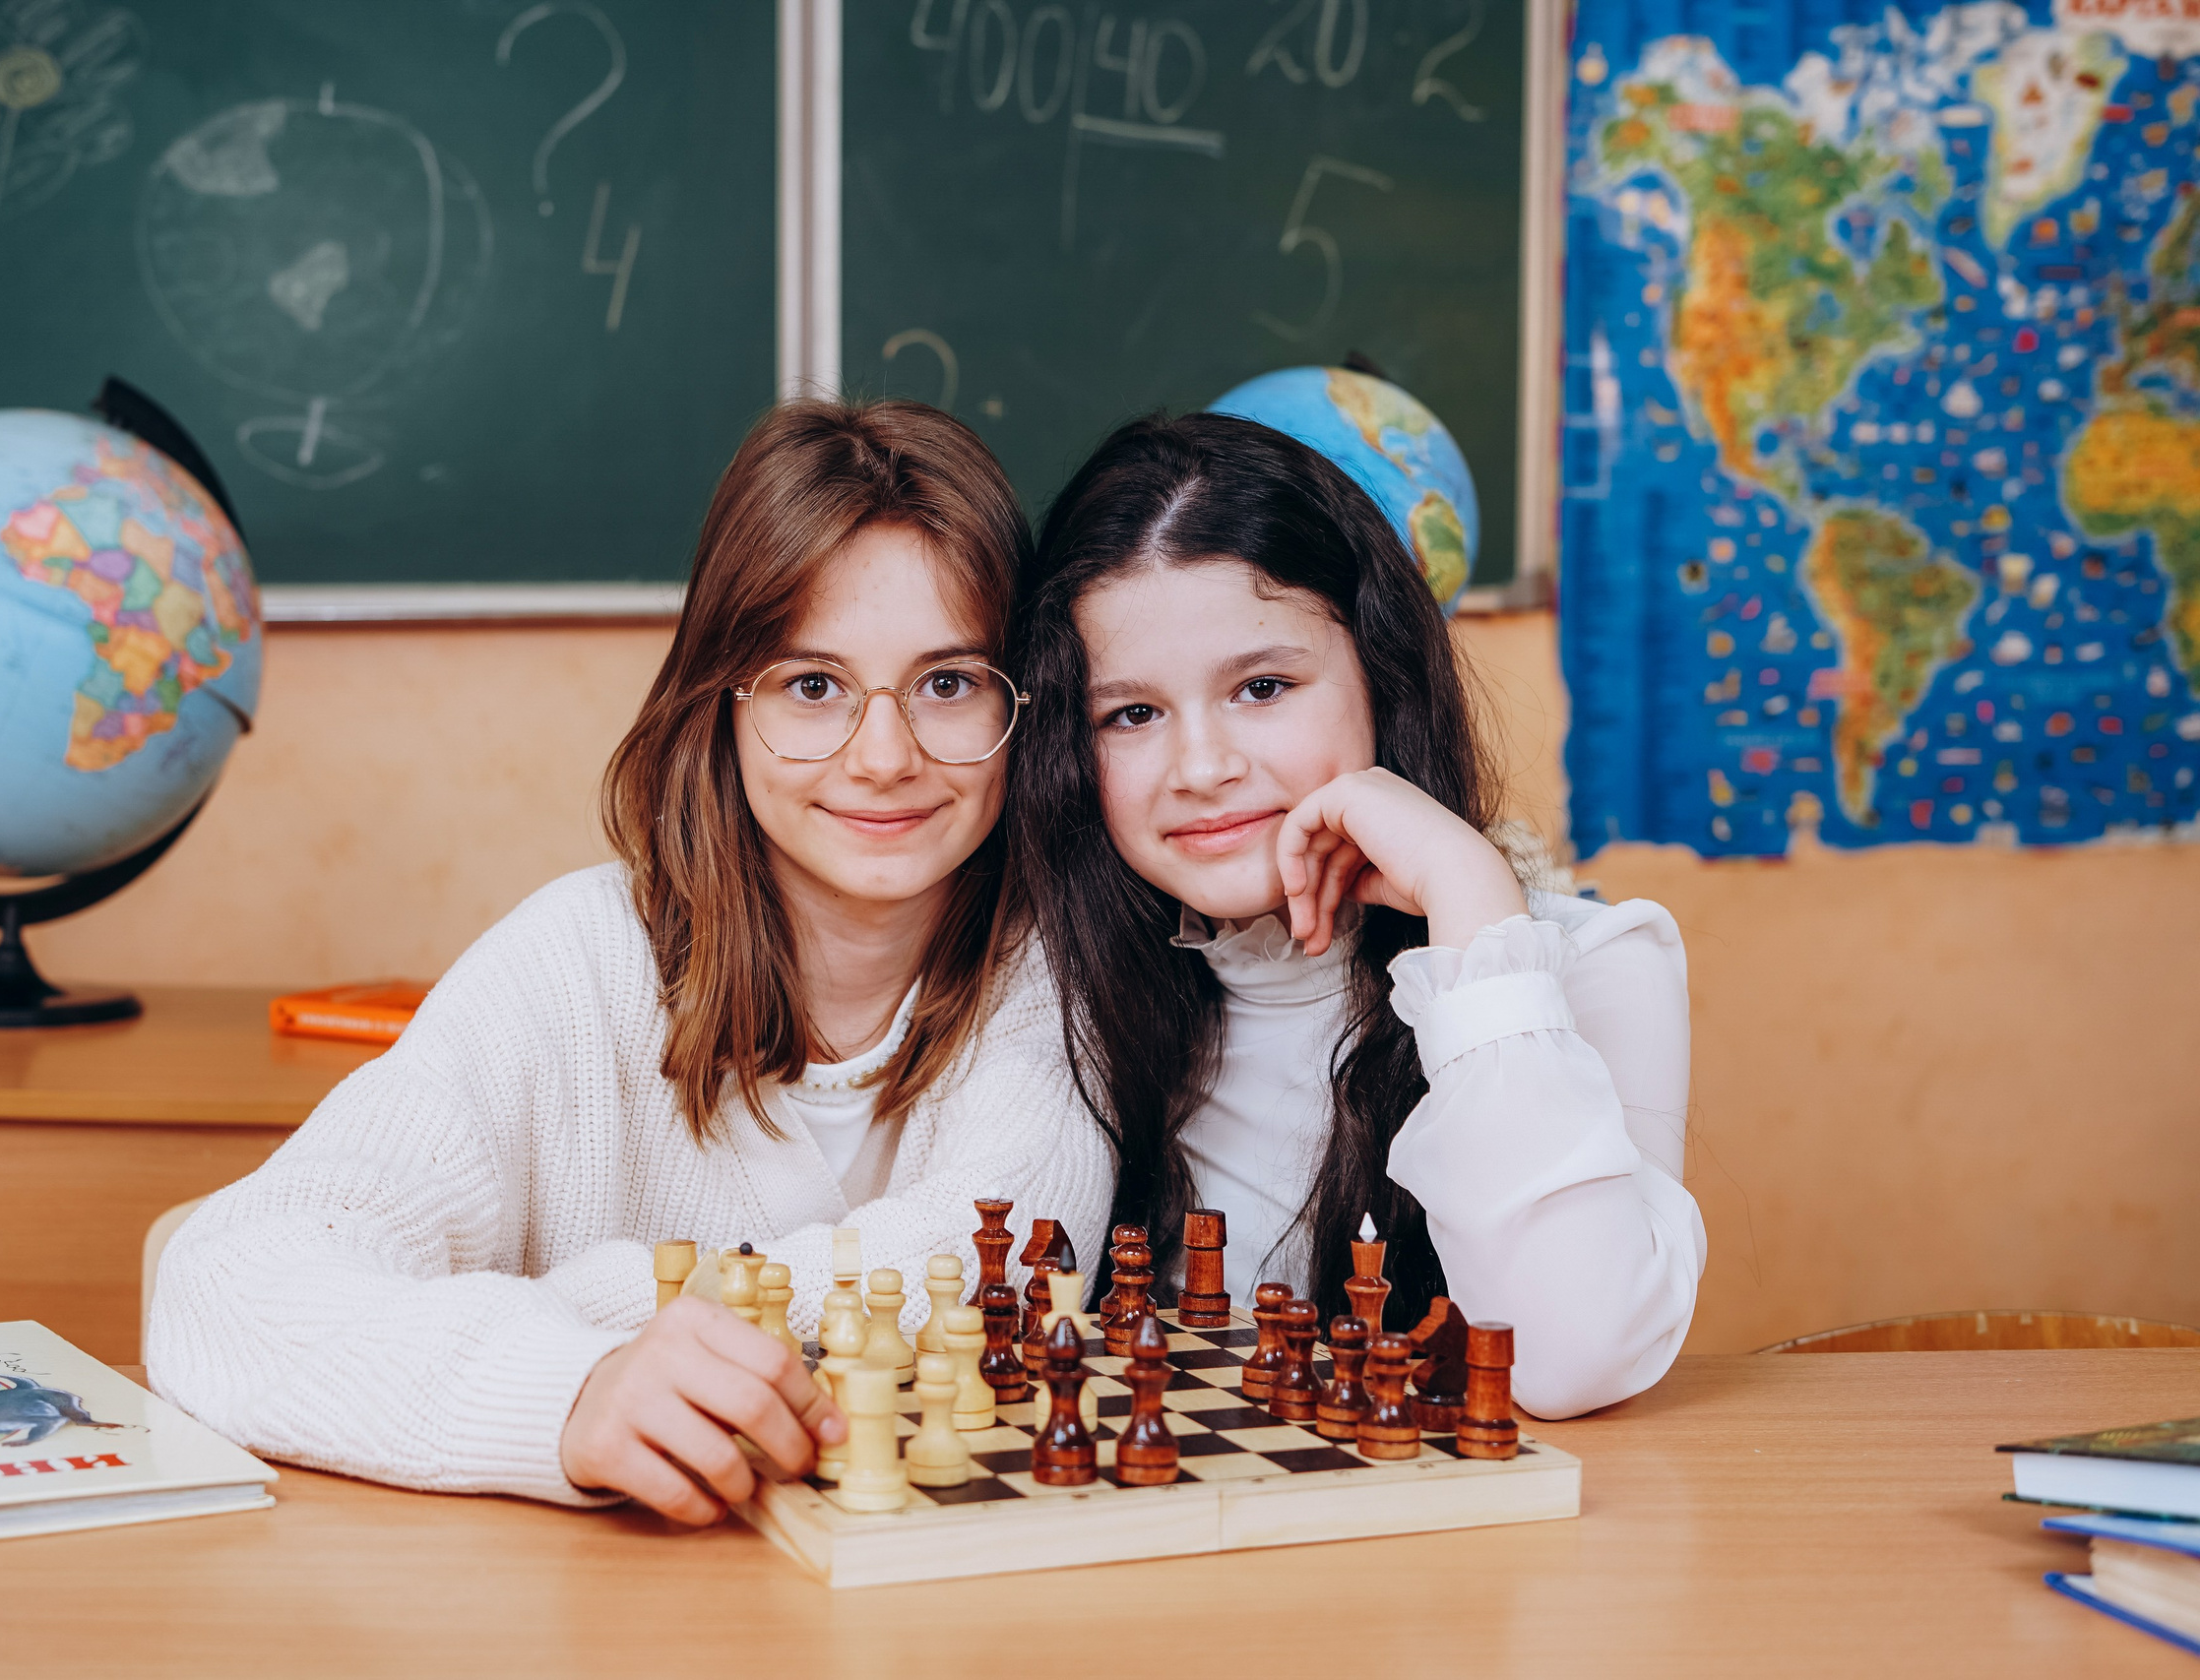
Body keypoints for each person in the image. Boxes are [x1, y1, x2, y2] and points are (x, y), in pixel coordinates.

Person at [149, 401, 1113, 1523]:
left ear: (1020, 707)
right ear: (723, 703)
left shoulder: (1057, 970)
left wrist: (582, 1302)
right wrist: (572, 1387)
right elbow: (222, 1286)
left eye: (948, 683)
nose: (885, 755)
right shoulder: (577, 957)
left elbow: (987, 1265)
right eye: (814, 687)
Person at [1008, 412, 1701, 1418]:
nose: (1202, 768)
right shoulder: (1057, 970)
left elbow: (1567, 1363)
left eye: (1262, 687)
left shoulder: (1591, 963)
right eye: (1132, 714)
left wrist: (1468, 902)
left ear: (1382, 674)